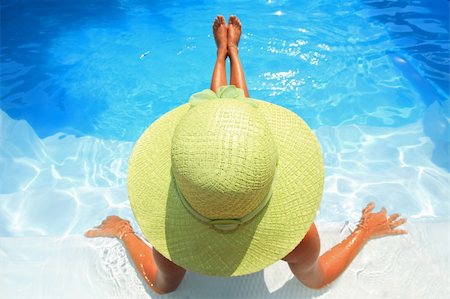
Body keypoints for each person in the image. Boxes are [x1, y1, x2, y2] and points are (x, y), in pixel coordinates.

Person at [85, 16, 407, 295]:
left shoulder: (170, 243)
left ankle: (226, 52)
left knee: (226, 135)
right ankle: (230, 52)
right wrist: (363, 232)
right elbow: (315, 278)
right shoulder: (299, 240)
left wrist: (125, 232)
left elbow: (163, 285)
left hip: (204, 200)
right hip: (252, 191)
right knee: (237, 138)